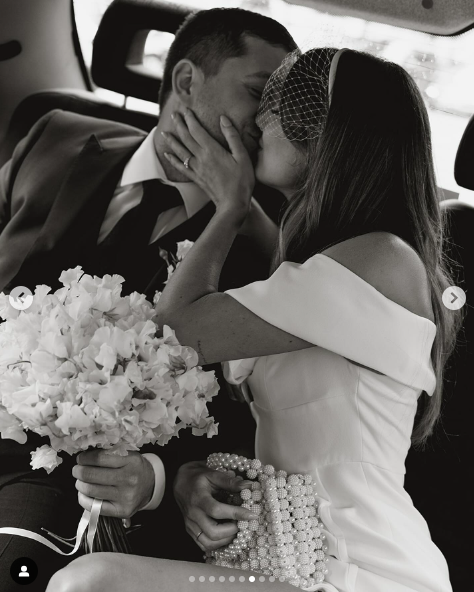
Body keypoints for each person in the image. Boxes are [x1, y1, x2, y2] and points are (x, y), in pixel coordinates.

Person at [47, 47, 462, 592]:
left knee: (92, 582)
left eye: (285, 101)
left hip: (362, 568)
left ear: (330, 134)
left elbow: (177, 331)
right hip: (278, 563)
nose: (261, 120)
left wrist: (231, 207)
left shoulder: (382, 259)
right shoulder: (316, 269)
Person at [0, 8, 297, 590]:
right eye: (258, 94)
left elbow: (256, 422)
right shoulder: (54, 138)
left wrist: (161, 478)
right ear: (186, 82)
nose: (268, 121)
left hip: (71, 492)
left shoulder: (276, 247)